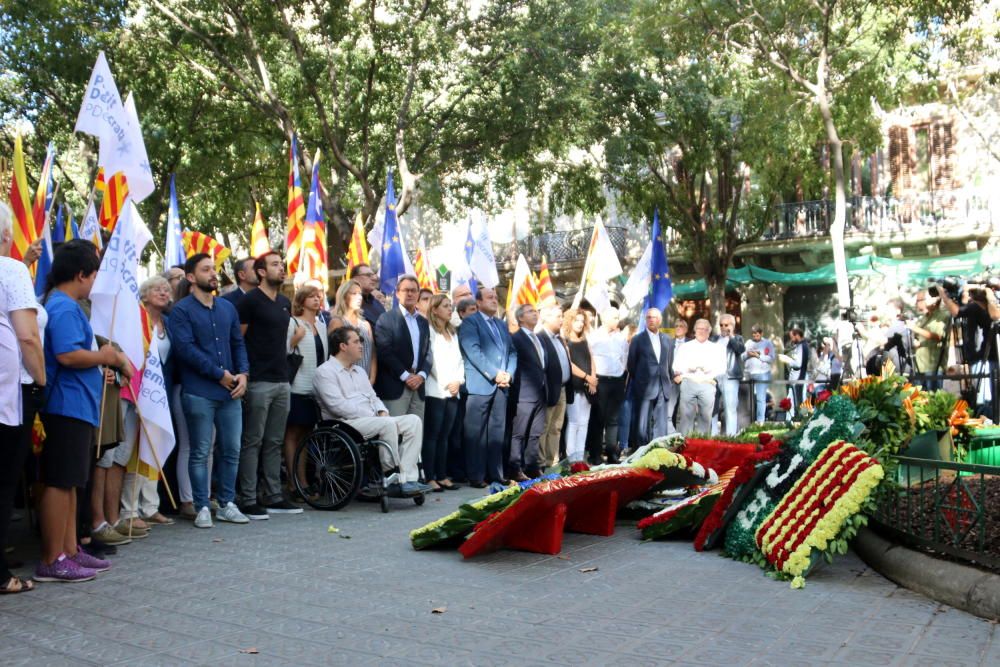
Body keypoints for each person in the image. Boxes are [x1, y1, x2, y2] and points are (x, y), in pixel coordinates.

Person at [36, 240, 126, 582]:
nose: (95, 283)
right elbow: (67, 355)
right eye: (94, 274)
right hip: (64, 405)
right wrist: (105, 357)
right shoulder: (63, 306)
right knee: (59, 483)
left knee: (72, 482)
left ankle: (70, 550)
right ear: (80, 274)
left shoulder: (69, 305)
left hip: (78, 406)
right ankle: (52, 557)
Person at [168, 253, 251, 529]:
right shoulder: (181, 310)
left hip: (230, 392)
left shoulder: (227, 308)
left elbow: (238, 343)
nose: (213, 274)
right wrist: (220, 375)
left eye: (213, 269)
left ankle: (227, 503)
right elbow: (185, 350)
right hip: (199, 391)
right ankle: (202, 505)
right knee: (200, 451)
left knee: (232, 449)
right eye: (206, 270)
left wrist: (243, 375)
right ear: (191, 277)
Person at [313, 327, 430, 495]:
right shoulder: (324, 372)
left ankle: (408, 478)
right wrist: (374, 416)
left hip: (372, 420)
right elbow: (337, 406)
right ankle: (391, 478)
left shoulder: (360, 371)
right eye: (356, 342)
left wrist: (381, 410)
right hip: (344, 423)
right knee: (386, 424)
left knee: (413, 421)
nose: (361, 345)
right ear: (342, 346)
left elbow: (373, 397)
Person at [0, 204, 45, 592]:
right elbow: (28, 335)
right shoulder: (10, 269)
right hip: (6, 394)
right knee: (2, 480)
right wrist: (42, 379)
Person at [236, 251, 301, 518]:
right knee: (253, 441)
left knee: (274, 441)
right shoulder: (249, 301)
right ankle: (249, 498)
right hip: (258, 381)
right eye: (275, 264)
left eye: (282, 264)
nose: (281, 268)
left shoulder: (285, 302)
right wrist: (244, 373)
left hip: (282, 380)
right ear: (261, 271)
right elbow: (238, 340)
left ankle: (274, 494)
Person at [121, 276, 175, 526]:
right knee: (133, 450)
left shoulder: (168, 323)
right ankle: (129, 510)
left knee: (154, 446)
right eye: (157, 289)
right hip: (135, 391)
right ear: (144, 293)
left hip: (159, 394)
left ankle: (150, 506)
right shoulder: (136, 318)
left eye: (166, 289)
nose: (163, 293)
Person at [459, 287, 517, 486]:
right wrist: (495, 374)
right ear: (478, 302)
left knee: (497, 432)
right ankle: (476, 476)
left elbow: (512, 352)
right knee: (476, 434)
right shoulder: (470, 323)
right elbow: (473, 352)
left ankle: (496, 474)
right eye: (490, 297)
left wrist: (509, 373)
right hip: (480, 385)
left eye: (495, 297)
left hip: (502, 386)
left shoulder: (501, 324)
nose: (494, 300)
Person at [283, 284, 328, 500]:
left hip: (316, 387)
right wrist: (296, 338)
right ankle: (294, 482)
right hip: (297, 386)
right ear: (301, 301)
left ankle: (303, 481)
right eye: (311, 296)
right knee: (293, 434)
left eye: (318, 296)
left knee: (307, 435)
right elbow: (284, 351)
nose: (316, 299)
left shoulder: (321, 324)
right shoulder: (294, 323)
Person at [374, 276, 431, 419]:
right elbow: (384, 352)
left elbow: (428, 352)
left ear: (418, 294)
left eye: (413, 290)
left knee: (415, 435)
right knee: (395, 434)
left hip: (418, 386)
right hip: (396, 386)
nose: (410, 294)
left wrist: (421, 376)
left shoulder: (423, 322)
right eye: (406, 290)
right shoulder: (386, 319)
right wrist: (406, 376)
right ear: (397, 293)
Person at [423, 295, 464, 491]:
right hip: (436, 389)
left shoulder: (452, 332)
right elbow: (431, 360)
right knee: (433, 435)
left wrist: (458, 380)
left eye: (451, 306)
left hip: (453, 390)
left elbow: (459, 360)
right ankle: (430, 476)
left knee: (446, 435)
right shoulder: (430, 331)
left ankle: (442, 474)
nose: (450, 309)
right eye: (446, 306)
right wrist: (447, 381)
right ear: (435, 309)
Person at [508, 304, 550, 480]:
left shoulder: (538, 337)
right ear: (520, 318)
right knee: (519, 433)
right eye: (531, 312)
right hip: (523, 393)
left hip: (541, 392)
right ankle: (514, 468)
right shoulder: (516, 338)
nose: (535, 314)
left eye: (536, 311)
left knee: (535, 432)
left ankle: (532, 465)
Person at [628, 308, 675, 445]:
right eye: (648, 317)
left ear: (659, 320)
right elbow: (631, 364)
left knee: (661, 423)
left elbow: (669, 362)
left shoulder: (667, 340)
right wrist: (640, 379)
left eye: (654, 317)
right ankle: (640, 452)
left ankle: (659, 450)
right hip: (644, 387)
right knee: (642, 425)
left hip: (662, 385)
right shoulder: (637, 339)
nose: (651, 320)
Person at [588, 307, 628, 463]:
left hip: (617, 380)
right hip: (600, 380)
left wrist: (621, 374)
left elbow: (625, 357)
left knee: (614, 419)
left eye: (618, 317)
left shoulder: (621, 338)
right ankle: (595, 454)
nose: (616, 320)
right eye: (613, 317)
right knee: (598, 418)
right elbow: (590, 358)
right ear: (604, 319)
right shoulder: (594, 336)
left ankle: (612, 452)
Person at [674, 319, 725, 435]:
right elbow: (676, 366)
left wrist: (709, 370)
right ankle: (685, 446)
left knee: (705, 419)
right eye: (699, 329)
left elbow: (722, 368)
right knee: (686, 419)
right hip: (689, 382)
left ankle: (702, 447)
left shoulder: (716, 348)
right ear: (694, 331)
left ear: (709, 332)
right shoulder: (685, 347)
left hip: (707, 383)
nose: (701, 331)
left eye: (705, 329)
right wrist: (688, 368)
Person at [538, 306, 573, 468]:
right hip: (549, 390)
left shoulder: (559, 338)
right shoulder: (540, 338)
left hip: (563, 388)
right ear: (546, 317)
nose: (562, 320)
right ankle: (541, 461)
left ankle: (553, 461)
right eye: (558, 316)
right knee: (544, 427)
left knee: (556, 427)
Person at [563, 309, 597, 462]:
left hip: (587, 386)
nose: (579, 324)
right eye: (576, 320)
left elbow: (591, 359)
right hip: (574, 386)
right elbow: (569, 364)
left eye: (582, 321)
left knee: (585, 423)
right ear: (570, 321)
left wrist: (593, 380)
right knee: (574, 422)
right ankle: (571, 459)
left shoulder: (585, 339)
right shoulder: (564, 340)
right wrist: (587, 377)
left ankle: (579, 457)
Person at [329, 279, 377, 385]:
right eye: (354, 293)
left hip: (366, 381)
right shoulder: (338, 322)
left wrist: (372, 379)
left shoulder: (366, 324)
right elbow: (334, 355)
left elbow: (373, 353)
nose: (359, 297)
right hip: (344, 381)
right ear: (344, 296)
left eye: (360, 294)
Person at [910, 289, 949, 387]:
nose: (918, 303)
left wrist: (914, 328)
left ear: (935, 299)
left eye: (921, 299)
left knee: (933, 397)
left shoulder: (943, 315)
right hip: (919, 364)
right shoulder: (925, 317)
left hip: (933, 365)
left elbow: (938, 336)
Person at [717, 314, 745, 436]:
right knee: (713, 408)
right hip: (715, 376)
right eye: (721, 325)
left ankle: (731, 435)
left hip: (730, 376)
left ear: (732, 326)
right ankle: (712, 435)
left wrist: (731, 336)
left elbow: (739, 349)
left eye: (726, 325)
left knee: (730, 407)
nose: (723, 327)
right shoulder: (715, 339)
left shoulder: (738, 338)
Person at [743, 325, 773, 423]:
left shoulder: (767, 343)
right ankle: (748, 420)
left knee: (760, 398)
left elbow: (771, 358)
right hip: (749, 373)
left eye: (757, 334)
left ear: (761, 334)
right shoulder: (748, 343)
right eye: (754, 334)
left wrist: (758, 356)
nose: (755, 336)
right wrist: (748, 354)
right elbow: (741, 357)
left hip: (762, 373)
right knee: (747, 399)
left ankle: (760, 421)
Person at [351, 263, 386, 329]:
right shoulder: (349, 304)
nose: (374, 278)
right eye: (368, 275)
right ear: (355, 279)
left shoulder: (377, 303)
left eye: (373, 275)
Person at [786, 326, 810, 411]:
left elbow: (798, 364)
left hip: (799, 377)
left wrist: (787, 360)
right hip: (795, 378)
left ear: (797, 336)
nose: (791, 340)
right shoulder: (800, 346)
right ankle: (792, 420)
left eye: (792, 337)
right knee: (791, 400)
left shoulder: (802, 346)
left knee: (800, 400)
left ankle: (803, 419)